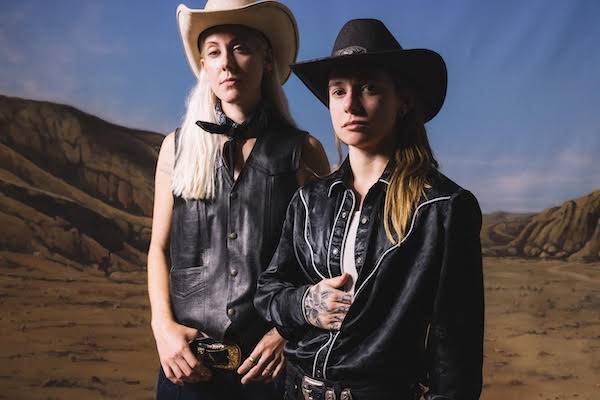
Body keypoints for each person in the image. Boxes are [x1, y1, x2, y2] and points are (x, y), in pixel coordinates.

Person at [254, 19, 485, 400]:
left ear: (403, 101)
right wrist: (306, 304)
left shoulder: (443, 208)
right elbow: (269, 292)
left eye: (369, 88)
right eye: (339, 91)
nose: (351, 104)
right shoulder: (309, 201)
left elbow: (457, 351)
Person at [147, 1, 329, 399]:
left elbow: (322, 264)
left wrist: (286, 333)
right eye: (214, 52)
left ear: (267, 59)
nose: (226, 63)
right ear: (203, 66)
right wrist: (162, 328)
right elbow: (158, 249)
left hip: (271, 372)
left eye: (240, 48)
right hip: (186, 369)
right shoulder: (175, 149)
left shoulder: (304, 152)